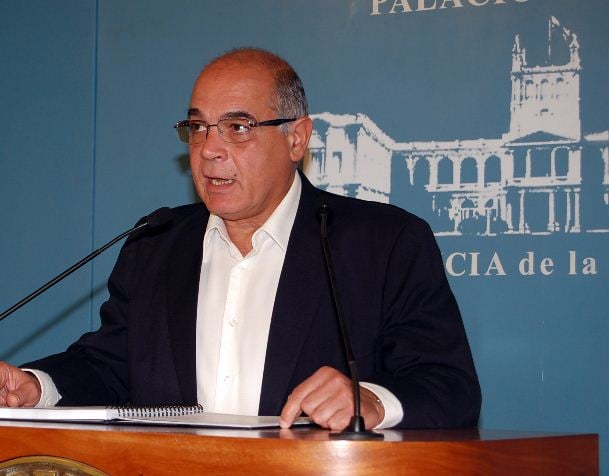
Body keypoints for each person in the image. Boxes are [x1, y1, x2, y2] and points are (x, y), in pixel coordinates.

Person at [0, 48, 480, 430]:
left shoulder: (383, 244)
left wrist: (371, 399)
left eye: (237, 128)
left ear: (296, 139)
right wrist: (36, 387)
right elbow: (110, 366)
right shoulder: (157, 244)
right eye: (198, 128)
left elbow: (448, 386)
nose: (209, 149)